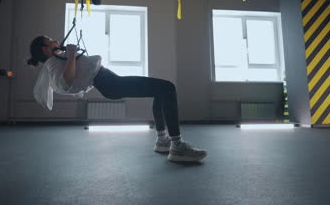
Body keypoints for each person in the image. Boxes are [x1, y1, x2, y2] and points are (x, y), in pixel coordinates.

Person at [27, 35, 207, 162]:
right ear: (45, 48)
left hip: (110, 82)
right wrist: (72, 55)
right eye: (51, 40)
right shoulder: (52, 64)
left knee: (162, 90)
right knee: (167, 88)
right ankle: (176, 146)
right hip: (110, 84)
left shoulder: (58, 59)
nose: (56, 41)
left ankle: (163, 141)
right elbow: (66, 83)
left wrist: (69, 55)